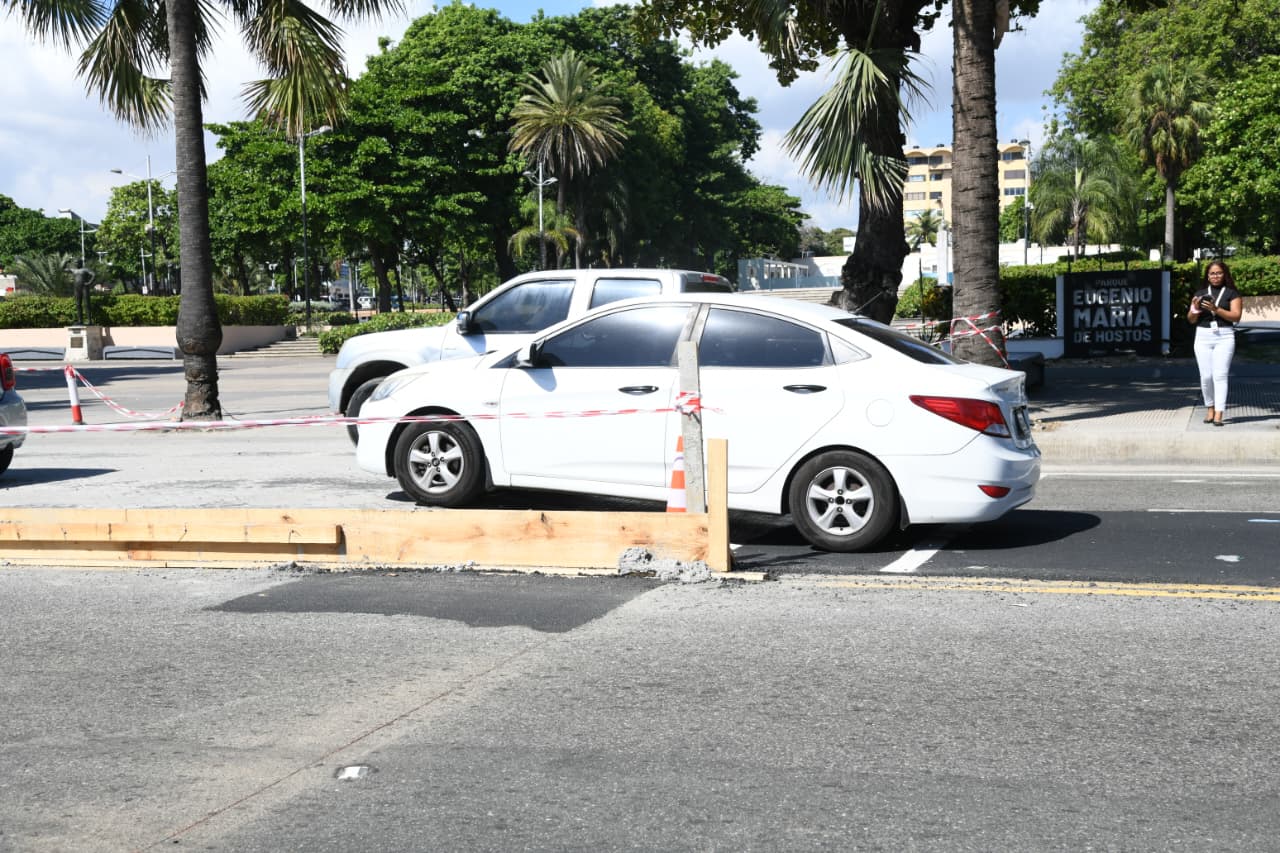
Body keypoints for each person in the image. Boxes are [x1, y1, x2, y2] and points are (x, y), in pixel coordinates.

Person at [1187, 260, 1243, 426]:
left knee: (1220, 375)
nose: (1216, 276)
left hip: (1224, 336)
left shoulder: (1232, 293)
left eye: (1219, 273)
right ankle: (1209, 408)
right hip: (1203, 335)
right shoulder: (1201, 293)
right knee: (1206, 376)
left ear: (1224, 274)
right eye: (1212, 273)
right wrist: (1195, 308)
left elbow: (1236, 316)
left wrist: (1215, 309)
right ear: (1208, 276)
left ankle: (1219, 412)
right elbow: (1191, 320)